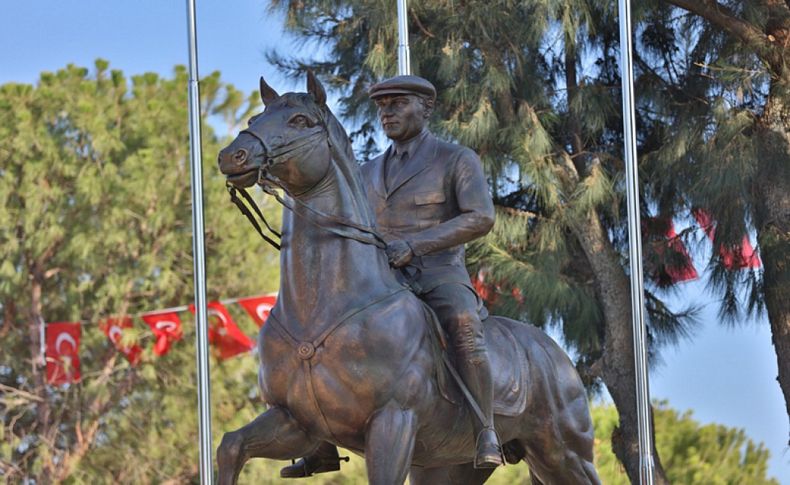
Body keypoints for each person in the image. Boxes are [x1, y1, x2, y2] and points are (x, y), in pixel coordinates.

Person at [280, 75, 501, 478]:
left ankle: (485, 428)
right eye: (382, 106)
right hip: (380, 279)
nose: (387, 113)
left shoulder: (455, 159)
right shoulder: (366, 172)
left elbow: (480, 218)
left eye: (397, 104)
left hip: (438, 272)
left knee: (463, 323)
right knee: (318, 337)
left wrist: (416, 246)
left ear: (425, 109)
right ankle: (321, 444)